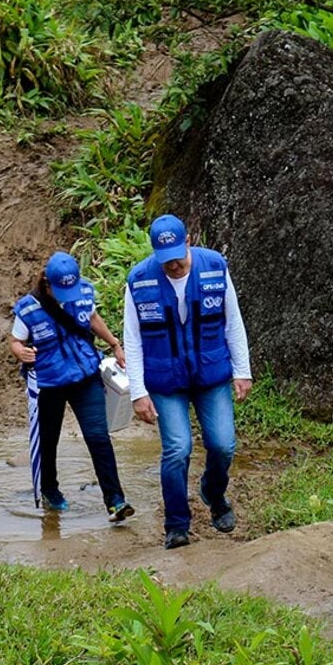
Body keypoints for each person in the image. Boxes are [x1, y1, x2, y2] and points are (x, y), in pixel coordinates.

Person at [123, 214, 252, 549]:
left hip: (211, 373)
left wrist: (243, 370)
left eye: (179, 259)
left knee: (223, 444)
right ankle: (177, 524)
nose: (174, 266)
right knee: (178, 449)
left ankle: (213, 492)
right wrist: (138, 392)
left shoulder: (215, 267)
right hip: (166, 381)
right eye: (166, 262)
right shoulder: (138, 280)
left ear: (189, 242)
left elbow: (232, 322)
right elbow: (133, 340)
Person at [10, 251, 135, 521]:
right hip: (48, 382)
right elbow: (15, 341)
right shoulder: (29, 308)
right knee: (49, 440)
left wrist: (115, 344)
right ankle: (50, 491)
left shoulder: (84, 292)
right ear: (47, 284)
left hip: (84, 376)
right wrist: (20, 351)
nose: (69, 295)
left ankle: (115, 500)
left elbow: (92, 319)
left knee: (98, 437)